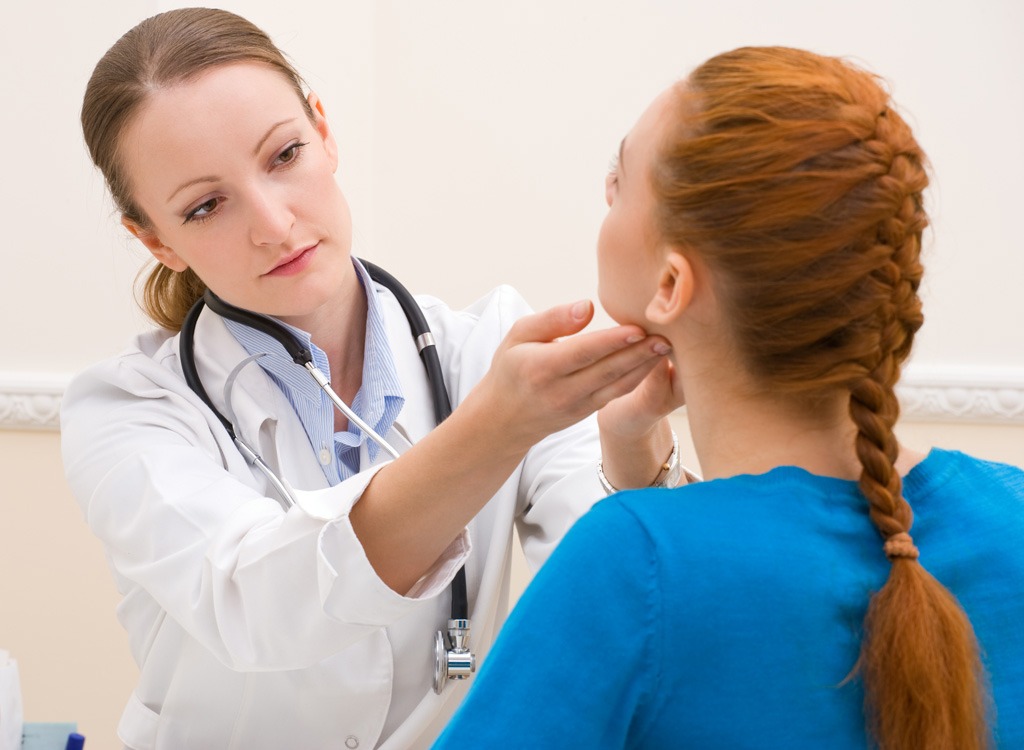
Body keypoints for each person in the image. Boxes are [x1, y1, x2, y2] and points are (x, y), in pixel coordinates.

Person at [60, 8, 687, 750]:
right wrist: (494, 428)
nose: (273, 222)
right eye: (206, 205)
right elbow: (255, 601)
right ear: (156, 239)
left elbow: (625, 597)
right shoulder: (128, 412)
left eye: (284, 154)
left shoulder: (485, 352)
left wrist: (630, 438)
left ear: (324, 132)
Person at [432, 46, 1024, 749]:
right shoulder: (1009, 514)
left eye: (620, 181)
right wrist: (636, 458)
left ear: (671, 288)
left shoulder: (632, 564)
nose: (606, 198)